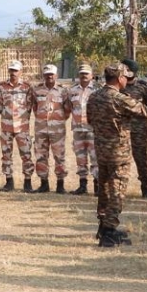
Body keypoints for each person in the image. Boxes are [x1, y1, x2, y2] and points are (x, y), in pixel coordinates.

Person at [87, 62, 147, 246]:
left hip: (102, 151)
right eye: (125, 77)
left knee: (104, 190)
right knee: (117, 191)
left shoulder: (94, 96)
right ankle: (109, 232)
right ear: (119, 78)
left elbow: (90, 120)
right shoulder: (119, 99)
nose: (127, 80)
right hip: (118, 153)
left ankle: (103, 226)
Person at [0, 60, 36, 192]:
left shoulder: (27, 87)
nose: (13, 73)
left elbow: (29, 106)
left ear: (20, 72)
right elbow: (0, 105)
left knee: (26, 155)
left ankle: (27, 182)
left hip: (22, 127)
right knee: (6, 155)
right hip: (6, 127)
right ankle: (9, 182)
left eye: (16, 70)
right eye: (11, 70)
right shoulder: (2, 87)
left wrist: (22, 118)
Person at [32, 64, 72, 193]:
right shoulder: (37, 90)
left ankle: (60, 185)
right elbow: (35, 108)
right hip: (41, 129)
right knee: (40, 156)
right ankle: (44, 184)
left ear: (56, 75)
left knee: (59, 156)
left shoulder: (63, 91)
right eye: (47, 74)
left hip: (57, 130)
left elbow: (67, 110)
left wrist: (58, 120)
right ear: (43, 75)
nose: (49, 76)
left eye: (51, 74)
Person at [120, 58, 147, 198]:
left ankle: (145, 188)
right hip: (122, 129)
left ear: (133, 71)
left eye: (127, 70)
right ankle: (120, 188)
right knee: (121, 159)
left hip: (139, 129)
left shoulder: (143, 87)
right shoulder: (118, 85)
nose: (125, 72)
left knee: (141, 159)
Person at [67, 64, 98, 195]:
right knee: (80, 158)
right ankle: (82, 185)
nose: (84, 76)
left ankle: (97, 185)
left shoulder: (97, 90)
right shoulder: (72, 90)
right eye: (82, 73)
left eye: (86, 73)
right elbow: (68, 107)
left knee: (95, 158)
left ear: (91, 75)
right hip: (78, 130)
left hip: (92, 130)